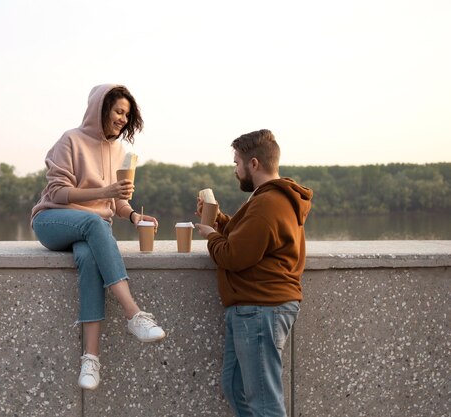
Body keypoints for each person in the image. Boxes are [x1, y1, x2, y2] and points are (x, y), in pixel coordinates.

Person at [30, 84, 166, 391]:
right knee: (93, 221)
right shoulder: (71, 140)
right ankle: (133, 313)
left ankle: (90, 360)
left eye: (127, 114)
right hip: (53, 220)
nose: (122, 119)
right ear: (100, 109)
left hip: (91, 229)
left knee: (90, 257)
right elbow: (57, 192)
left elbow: (116, 202)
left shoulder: (120, 151)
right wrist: (104, 193)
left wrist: (132, 215)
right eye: (118, 111)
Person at [194, 129, 313, 417]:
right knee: (235, 387)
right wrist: (220, 219)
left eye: (237, 163)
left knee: (263, 402)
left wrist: (210, 235)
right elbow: (248, 238)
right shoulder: (266, 200)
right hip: (253, 307)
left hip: (262, 308)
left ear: (254, 164)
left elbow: (233, 255)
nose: (235, 170)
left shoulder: (268, 204)